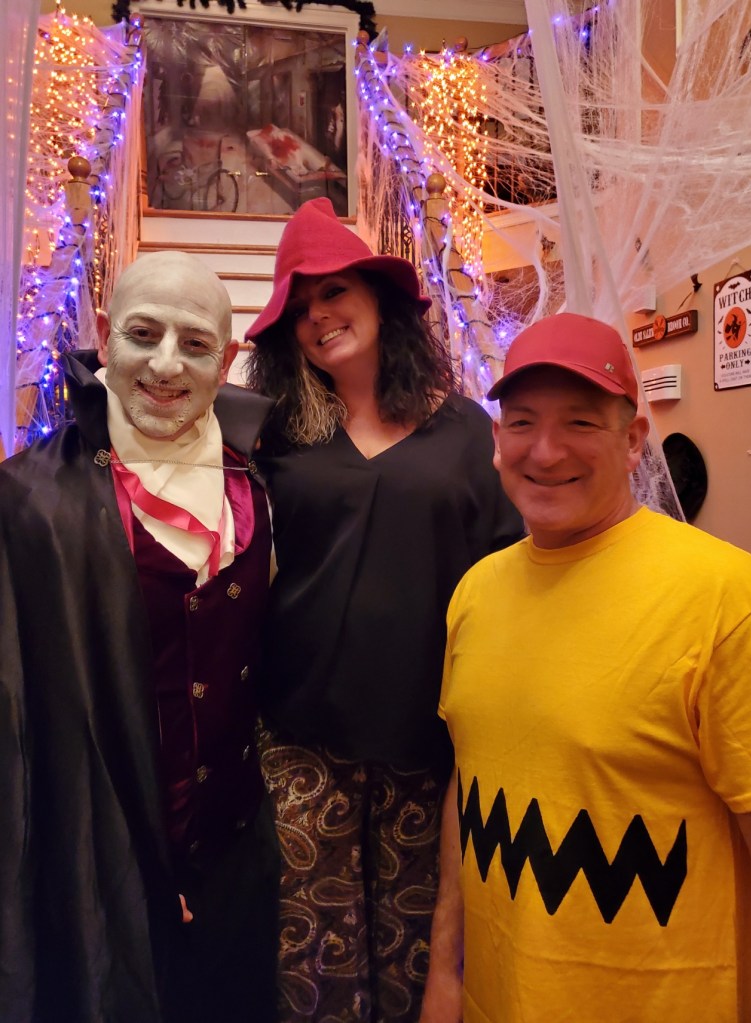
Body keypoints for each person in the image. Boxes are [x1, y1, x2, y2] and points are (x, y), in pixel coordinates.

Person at [422, 312, 751, 1022]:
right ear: (497, 441)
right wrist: (445, 975)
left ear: (634, 440)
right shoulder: (474, 593)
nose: (545, 452)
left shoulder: (727, 600)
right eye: (522, 423)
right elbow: (471, 786)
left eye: (579, 422)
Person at [243, 197, 524, 1022]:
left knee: (416, 954)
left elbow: (506, 573)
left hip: (424, 741)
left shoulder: (464, 430)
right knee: (309, 957)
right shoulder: (273, 436)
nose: (318, 317)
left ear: (377, 297)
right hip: (300, 733)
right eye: (299, 308)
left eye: (332, 292)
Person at [0, 251, 279, 1023]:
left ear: (227, 358)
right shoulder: (26, 505)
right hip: (96, 868)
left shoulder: (262, 486)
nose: (165, 364)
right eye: (143, 334)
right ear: (103, 333)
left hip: (234, 865)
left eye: (195, 343)